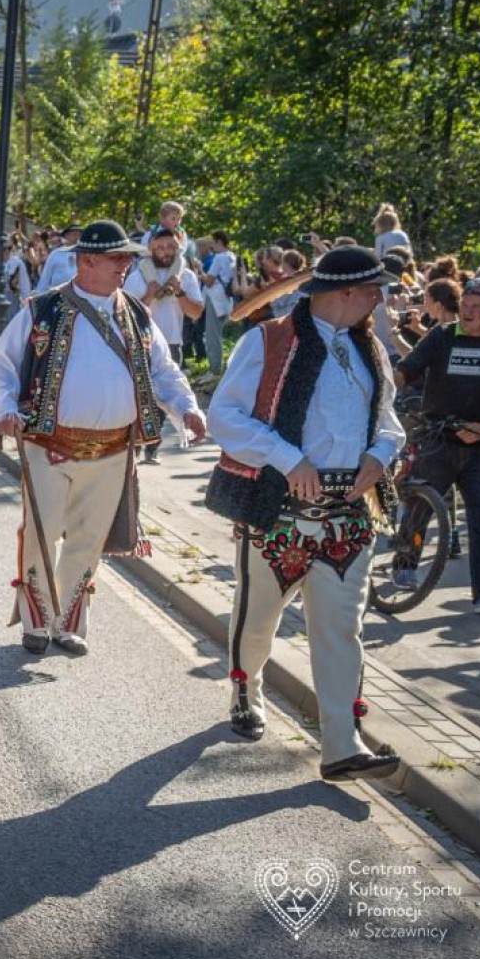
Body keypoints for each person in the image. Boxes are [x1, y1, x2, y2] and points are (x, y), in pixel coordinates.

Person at [206, 245, 405, 782]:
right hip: (281, 512)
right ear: (347, 292)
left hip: (348, 516)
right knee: (258, 619)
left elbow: (389, 420)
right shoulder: (267, 341)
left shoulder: (371, 350)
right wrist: (287, 458)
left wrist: (379, 456)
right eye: (374, 291)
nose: (380, 300)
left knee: (341, 629)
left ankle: (342, 744)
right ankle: (246, 688)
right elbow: (224, 416)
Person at [0, 220, 206, 656]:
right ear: (86, 261)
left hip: (112, 449)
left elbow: (163, 370)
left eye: (127, 258)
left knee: (88, 540)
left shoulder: (136, 314)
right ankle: (36, 621)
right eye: (116, 258)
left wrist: (187, 408)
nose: (126, 265)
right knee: (42, 532)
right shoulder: (43, 309)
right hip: (49, 445)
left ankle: (68, 623)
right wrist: (5, 410)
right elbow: (2, 363)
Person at [392, 276, 480, 612]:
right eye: (464, 303)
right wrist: (384, 384)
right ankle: (405, 565)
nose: (467, 311)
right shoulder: (442, 335)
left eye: (477, 306)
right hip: (437, 436)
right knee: (419, 507)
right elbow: (408, 369)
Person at [124, 227, 205, 464]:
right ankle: (134, 444)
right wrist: (149, 295)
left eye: (170, 246)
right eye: (160, 247)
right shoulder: (137, 276)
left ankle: (151, 446)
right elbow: (125, 312)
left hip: (172, 343)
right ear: (151, 249)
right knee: (139, 397)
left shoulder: (185, 276)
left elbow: (196, 312)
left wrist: (179, 292)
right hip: (139, 344)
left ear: (178, 247)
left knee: (164, 397)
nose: (166, 251)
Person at [200, 230, 239, 374]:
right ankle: (221, 368)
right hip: (227, 300)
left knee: (212, 336)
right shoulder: (232, 256)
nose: (211, 246)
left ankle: (214, 370)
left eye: (213, 242)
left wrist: (200, 271)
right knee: (218, 335)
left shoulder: (219, 257)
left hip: (215, 300)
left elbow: (209, 281)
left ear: (219, 242)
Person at [37, 224, 81, 291]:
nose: (77, 237)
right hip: (59, 294)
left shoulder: (85, 254)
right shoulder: (56, 254)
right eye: (74, 234)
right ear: (66, 236)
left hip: (79, 294)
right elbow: (46, 276)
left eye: (79, 234)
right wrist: (40, 293)